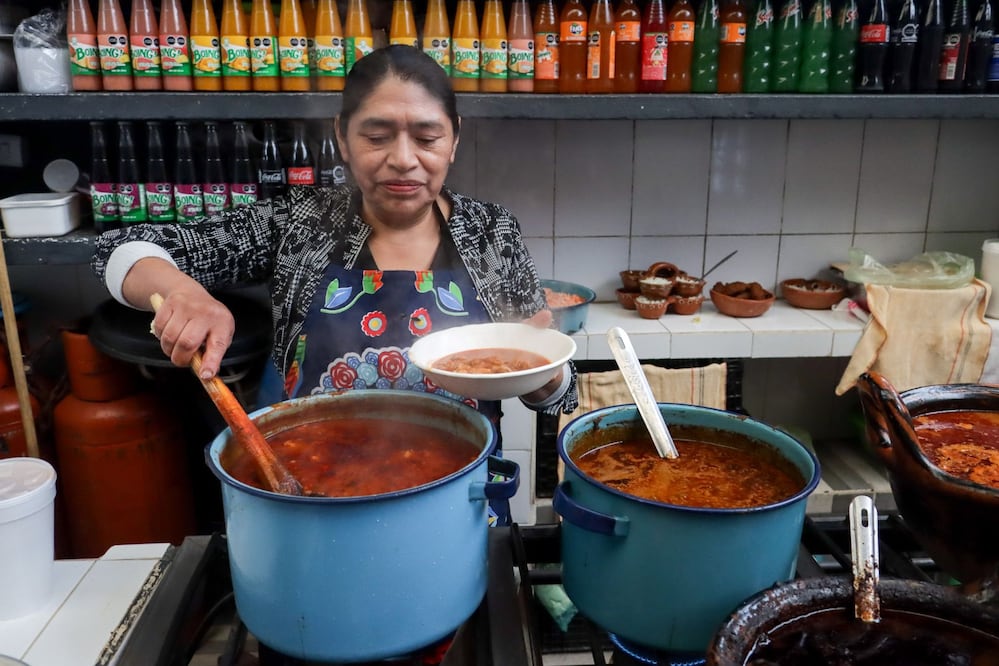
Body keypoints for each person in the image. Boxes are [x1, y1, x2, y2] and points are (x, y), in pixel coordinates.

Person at [90, 44, 578, 472]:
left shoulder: (491, 233)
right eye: (377, 136)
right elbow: (119, 246)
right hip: (313, 483)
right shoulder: (298, 223)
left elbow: (560, 393)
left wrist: (544, 374)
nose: (404, 159)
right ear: (342, 137)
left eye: (427, 138)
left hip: (461, 491)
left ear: (454, 140)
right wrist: (180, 290)